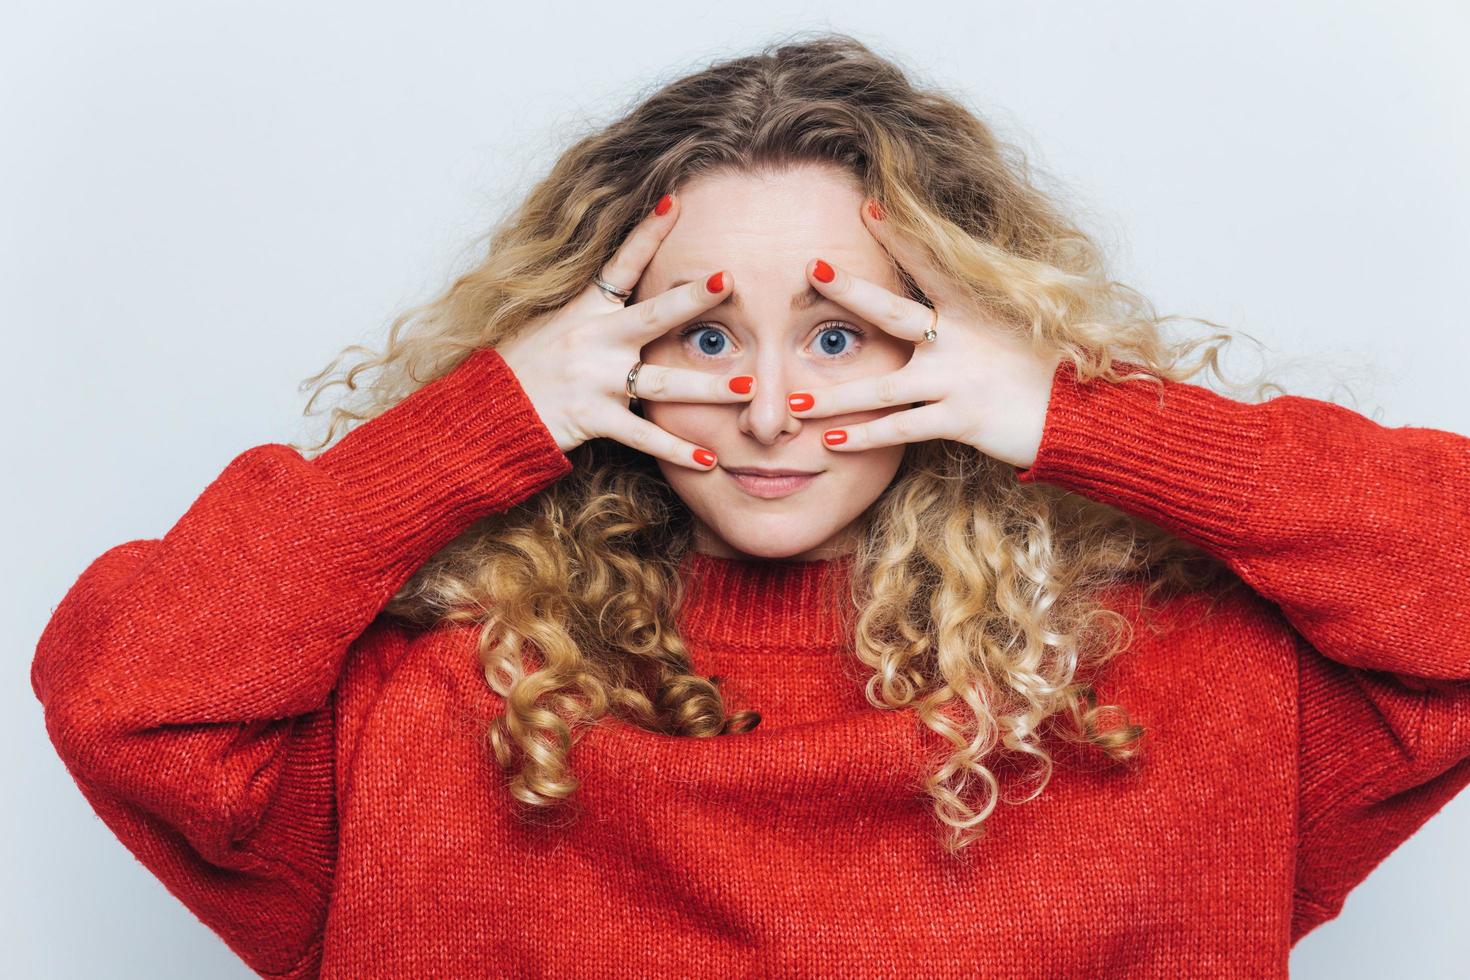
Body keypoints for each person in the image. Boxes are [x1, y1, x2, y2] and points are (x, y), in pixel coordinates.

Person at [30, 32, 1470, 979]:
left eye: (841, 334)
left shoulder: (1182, 700)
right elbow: (126, 695)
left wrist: (1071, 413)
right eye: (704, 335)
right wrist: (482, 421)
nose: (773, 409)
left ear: (965, 338)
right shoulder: (424, 712)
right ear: (583, 346)